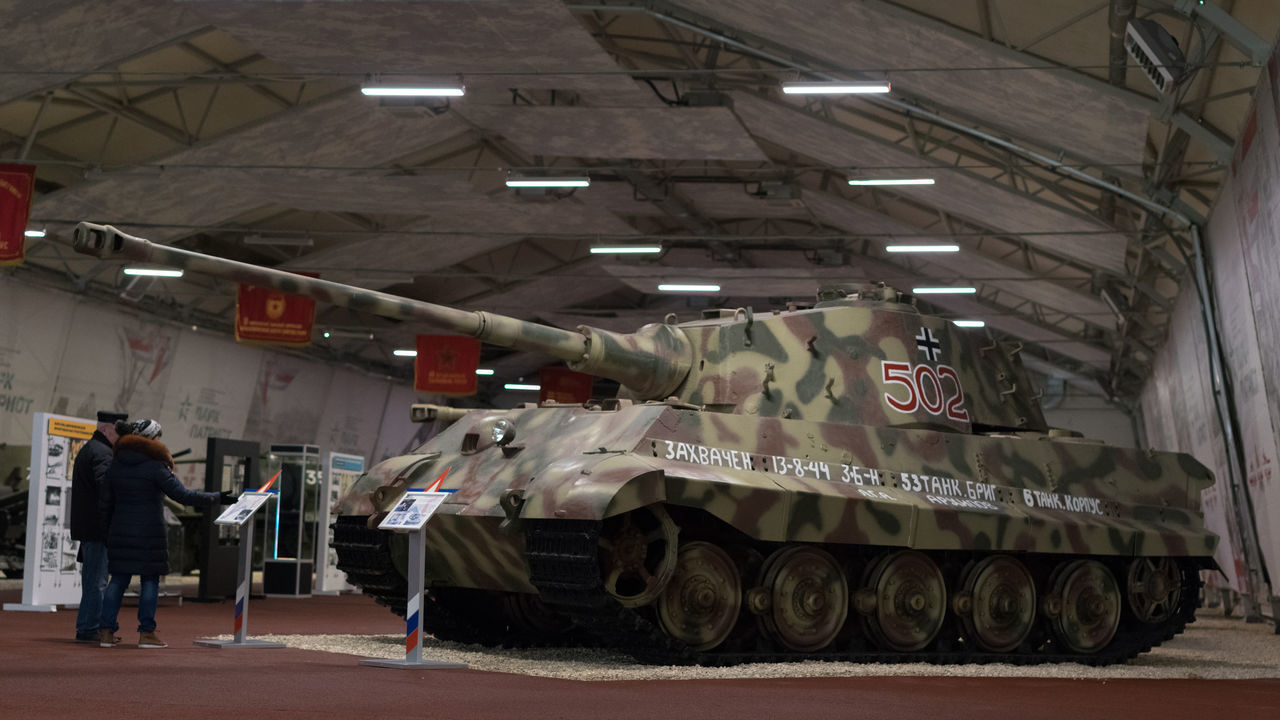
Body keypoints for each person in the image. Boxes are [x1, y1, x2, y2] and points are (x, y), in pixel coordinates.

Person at [97, 419, 233, 648]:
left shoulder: (116, 465)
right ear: (150, 440)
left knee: (118, 581)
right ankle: (146, 634)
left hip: (120, 532)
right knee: (149, 581)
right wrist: (216, 498)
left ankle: (106, 633)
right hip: (149, 534)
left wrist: (108, 531)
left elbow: (105, 504)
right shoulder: (155, 467)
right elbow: (183, 495)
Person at [69, 410, 128, 644]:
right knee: (97, 581)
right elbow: (106, 486)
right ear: (106, 429)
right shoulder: (103, 453)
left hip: (91, 527)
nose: (121, 436)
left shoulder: (93, 449)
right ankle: (89, 628)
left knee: (93, 580)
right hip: (98, 528)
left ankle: (88, 626)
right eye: (118, 431)